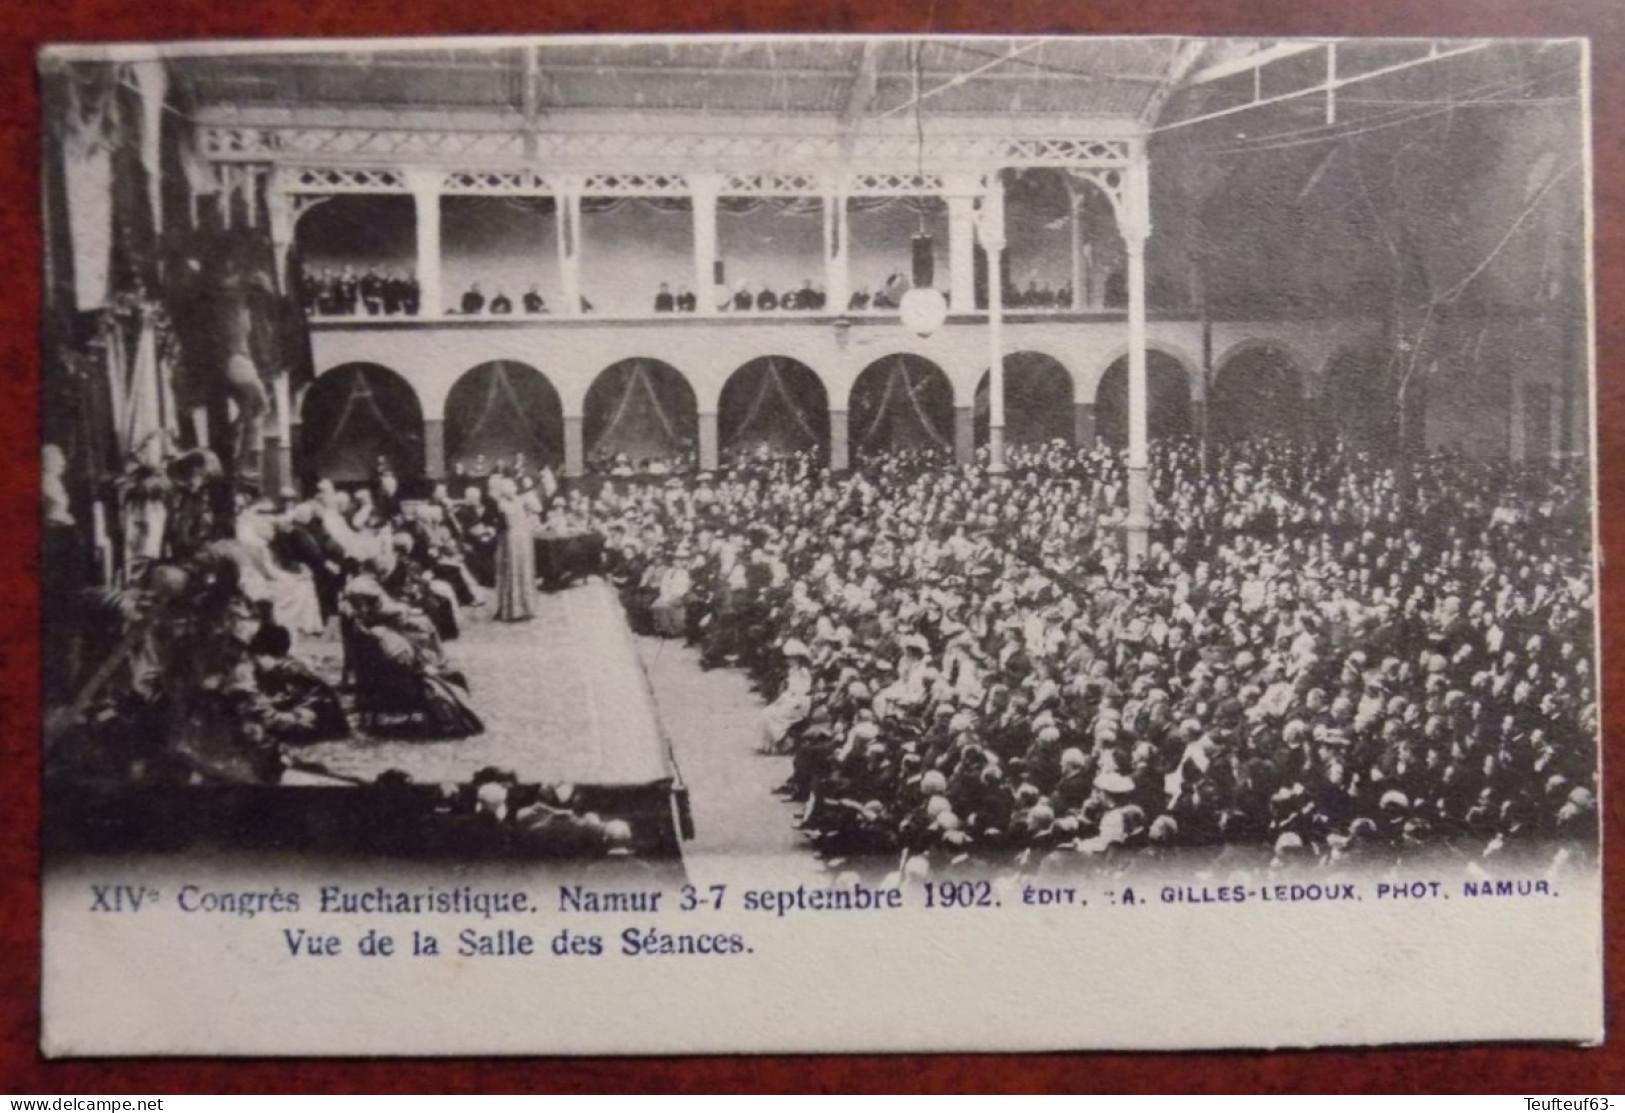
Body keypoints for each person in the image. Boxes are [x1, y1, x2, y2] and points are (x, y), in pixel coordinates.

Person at [491, 474, 537, 623]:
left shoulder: (521, 500)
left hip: (522, 538)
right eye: (506, 489)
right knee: (510, 571)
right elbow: (501, 524)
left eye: (512, 487)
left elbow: (536, 509)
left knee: (523, 570)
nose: (510, 490)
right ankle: (509, 609)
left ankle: (525, 607)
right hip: (509, 539)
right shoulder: (501, 503)